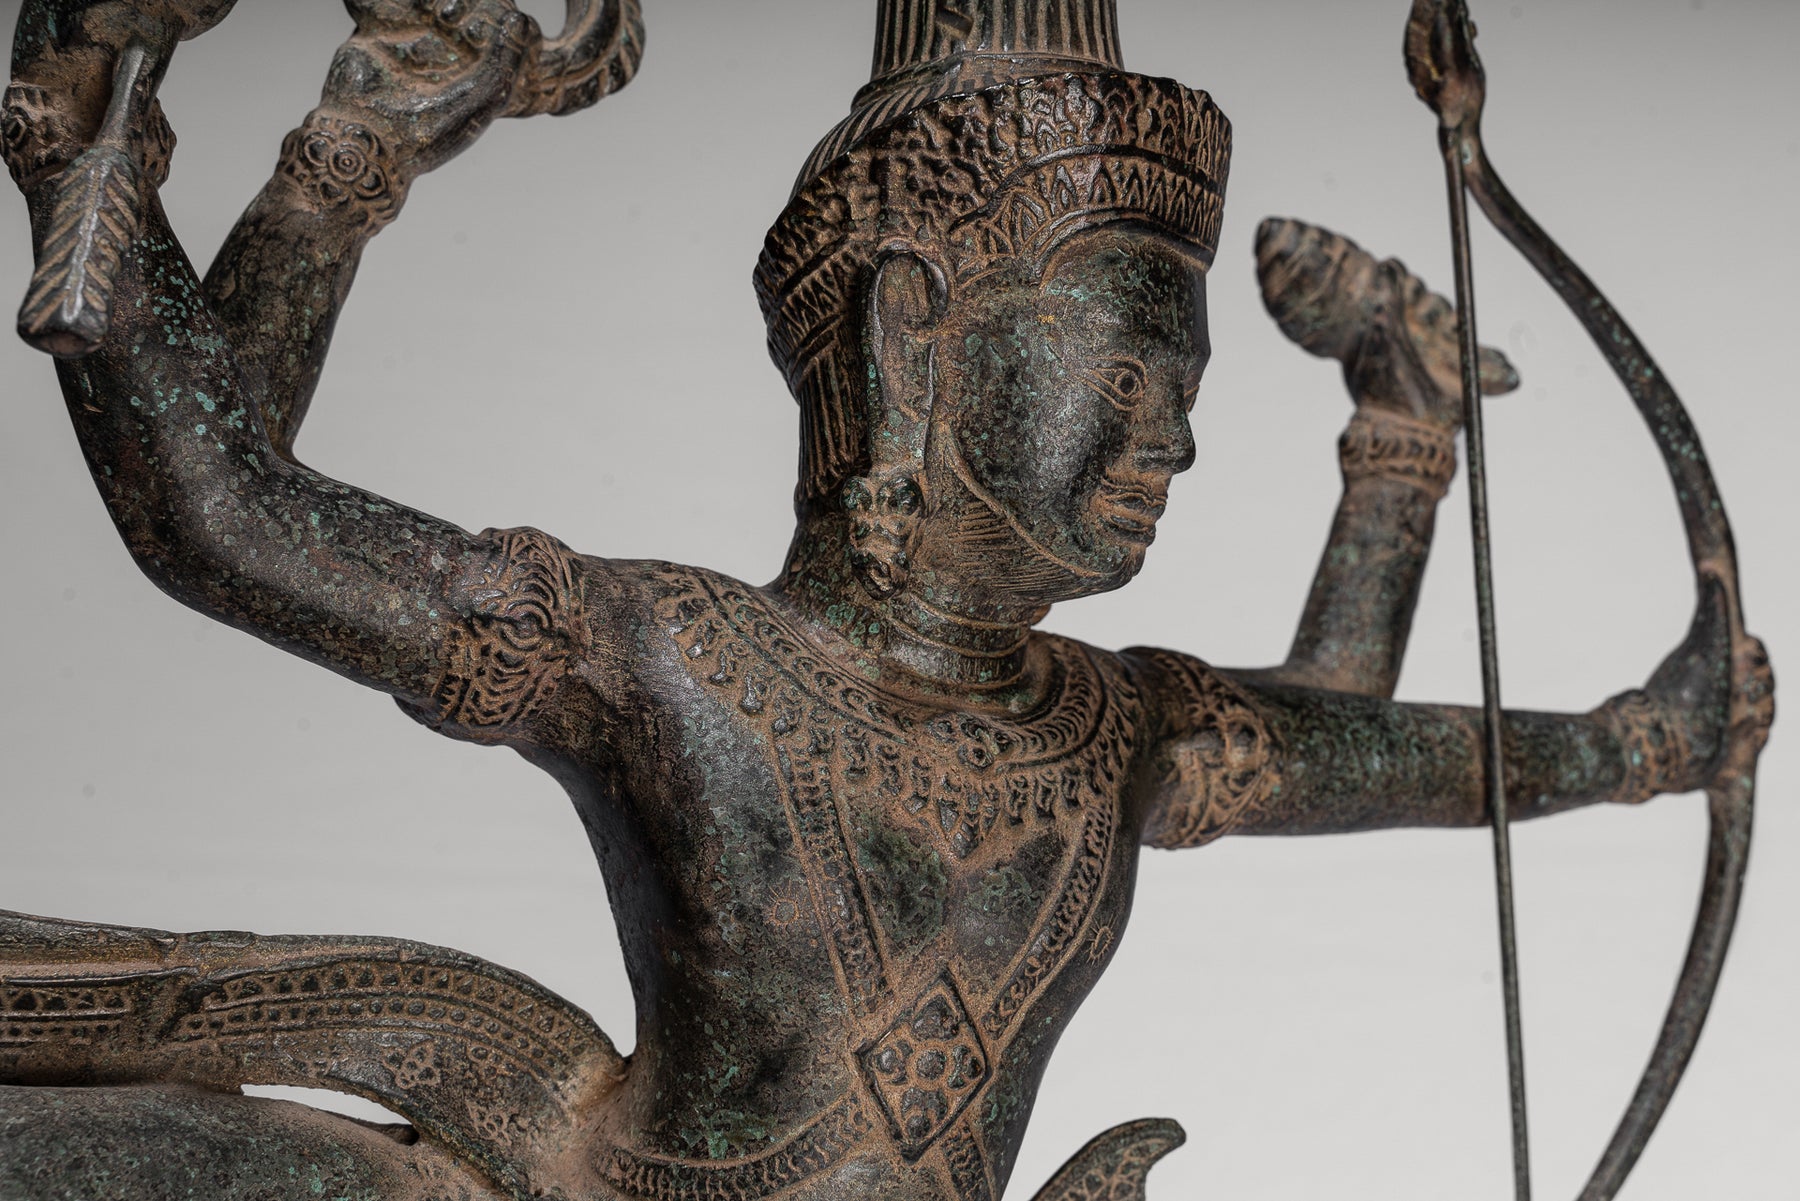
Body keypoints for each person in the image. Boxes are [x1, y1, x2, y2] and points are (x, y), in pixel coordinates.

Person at [0, 2, 1758, 1199]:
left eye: (1188, 393)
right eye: (1128, 381)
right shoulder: (671, 659)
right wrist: (337, 151)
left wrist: (1636, 730)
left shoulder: (1112, 727)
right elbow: (223, 516)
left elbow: (1342, 719)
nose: (1177, 442)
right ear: (912, 340)